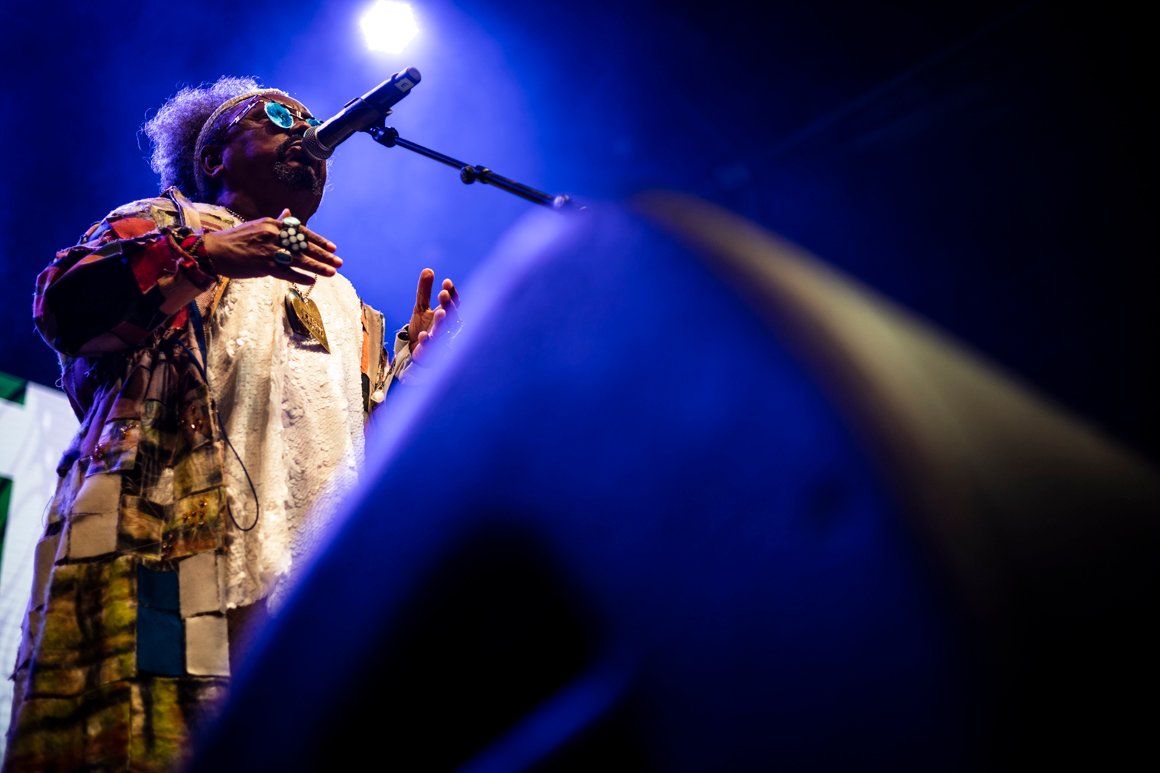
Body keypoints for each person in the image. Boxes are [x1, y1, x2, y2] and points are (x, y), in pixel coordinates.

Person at [1, 76, 460, 771]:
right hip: (176, 563)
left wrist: (418, 380)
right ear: (213, 156)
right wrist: (205, 253)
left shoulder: (346, 300)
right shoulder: (164, 223)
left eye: (308, 121)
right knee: (151, 747)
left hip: (303, 603)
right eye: (276, 115)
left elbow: (356, 447)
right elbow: (62, 306)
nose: (302, 130)